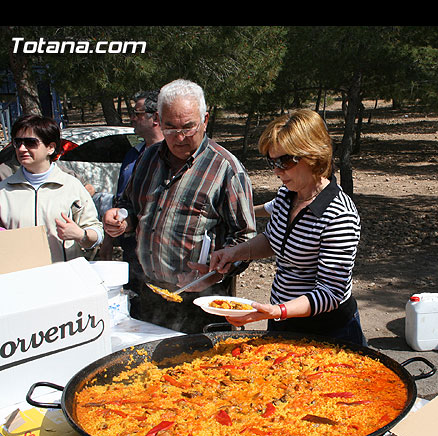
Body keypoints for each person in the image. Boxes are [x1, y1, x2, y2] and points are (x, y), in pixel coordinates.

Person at [201, 109, 367, 346]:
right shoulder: (287, 195)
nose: (277, 171)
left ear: (312, 155)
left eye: (284, 161)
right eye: (271, 162)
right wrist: (233, 253)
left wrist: (277, 310)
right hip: (283, 321)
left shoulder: (339, 214)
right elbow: (272, 239)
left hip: (327, 332)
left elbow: (331, 293)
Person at [102, 79, 256, 334]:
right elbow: (128, 205)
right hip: (147, 294)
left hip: (201, 303)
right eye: (170, 127)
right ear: (159, 121)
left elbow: (245, 238)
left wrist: (214, 272)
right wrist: (120, 219)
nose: (180, 137)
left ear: (205, 120)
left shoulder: (226, 169)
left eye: (188, 127)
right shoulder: (148, 158)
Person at [0, 114, 103, 262]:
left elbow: (97, 233)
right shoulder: (3, 190)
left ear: (50, 147)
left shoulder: (71, 186)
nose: (22, 148)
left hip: (64, 277)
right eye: (18, 142)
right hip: (20, 278)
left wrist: (81, 235)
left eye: (30, 143)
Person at [98, 90, 164, 319]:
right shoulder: (132, 155)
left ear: (155, 117)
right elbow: (120, 202)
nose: (132, 119)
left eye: (136, 113)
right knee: (137, 311)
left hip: (161, 259)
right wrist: (108, 241)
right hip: (131, 252)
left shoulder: (176, 159)